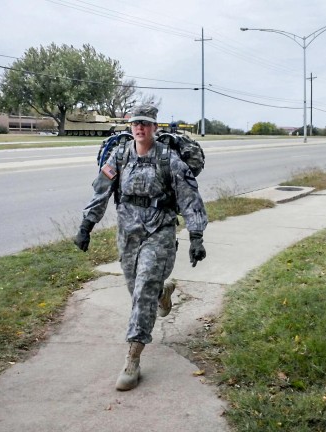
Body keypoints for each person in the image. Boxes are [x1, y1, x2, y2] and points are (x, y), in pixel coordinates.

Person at [74, 104, 208, 391]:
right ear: (131, 126)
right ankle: (163, 294)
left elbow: (189, 196)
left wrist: (196, 235)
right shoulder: (119, 154)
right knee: (138, 289)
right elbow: (101, 191)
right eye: (136, 123)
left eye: (146, 124)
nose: (140, 128)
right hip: (128, 232)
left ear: (155, 128)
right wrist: (86, 225)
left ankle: (132, 358)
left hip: (159, 229)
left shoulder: (169, 158)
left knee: (144, 286)